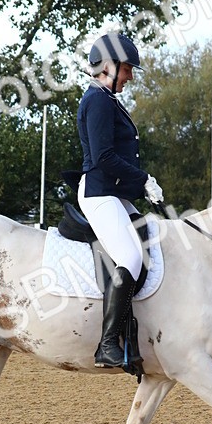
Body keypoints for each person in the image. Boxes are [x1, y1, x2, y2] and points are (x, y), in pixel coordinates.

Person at [76, 32, 163, 368]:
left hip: (114, 192)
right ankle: (107, 344)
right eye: (126, 69)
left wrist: (139, 187)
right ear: (109, 66)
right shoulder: (97, 100)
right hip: (99, 192)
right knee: (129, 255)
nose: (129, 76)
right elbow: (103, 157)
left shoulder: (108, 100)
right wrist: (142, 180)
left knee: (150, 239)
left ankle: (132, 332)